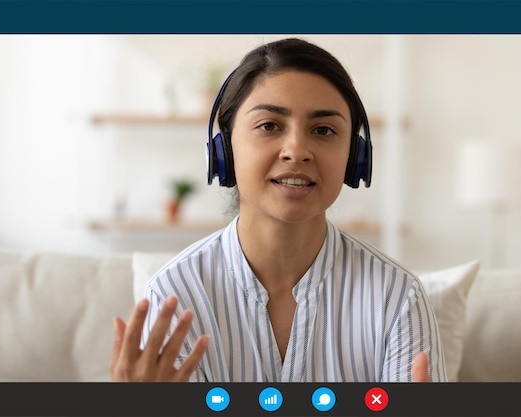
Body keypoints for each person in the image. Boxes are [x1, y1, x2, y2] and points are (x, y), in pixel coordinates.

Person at [110, 37, 446, 383]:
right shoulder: (175, 296)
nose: (296, 151)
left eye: (324, 130)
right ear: (225, 148)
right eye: (269, 125)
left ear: (354, 159)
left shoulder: (397, 298)